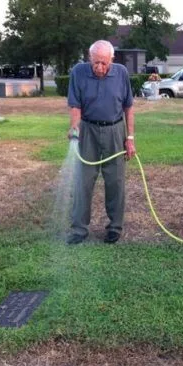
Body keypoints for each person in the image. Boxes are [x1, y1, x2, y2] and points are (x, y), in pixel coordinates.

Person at [66, 40, 136, 245]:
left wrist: (129, 138)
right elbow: (75, 105)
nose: (99, 67)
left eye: (104, 63)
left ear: (112, 60)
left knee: (115, 181)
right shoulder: (78, 72)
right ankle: (79, 229)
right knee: (83, 181)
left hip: (115, 131)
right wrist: (74, 128)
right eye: (95, 62)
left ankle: (114, 228)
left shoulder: (121, 73)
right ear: (89, 59)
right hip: (88, 130)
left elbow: (128, 107)